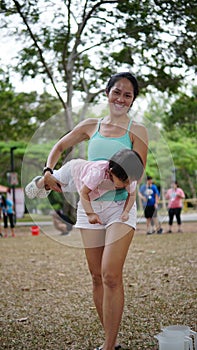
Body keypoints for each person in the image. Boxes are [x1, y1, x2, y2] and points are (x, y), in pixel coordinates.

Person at [37, 72, 148, 350]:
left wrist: (110, 180)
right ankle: (112, 340)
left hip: (121, 207)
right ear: (107, 92)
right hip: (89, 208)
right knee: (96, 275)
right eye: (117, 92)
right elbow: (60, 146)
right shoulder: (91, 126)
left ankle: (108, 347)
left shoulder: (138, 131)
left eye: (128, 95)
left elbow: (137, 172)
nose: (121, 98)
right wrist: (50, 172)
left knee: (111, 273)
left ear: (132, 100)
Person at [25, 149, 144, 225]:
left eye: (131, 181)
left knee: (64, 188)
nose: (127, 185)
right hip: (73, 170)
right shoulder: (98, 173)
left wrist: (126, 212)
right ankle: (41, 181)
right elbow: (84, 193)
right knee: (57, 179)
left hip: (83, 180)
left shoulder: (128, 177)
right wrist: (90, 214)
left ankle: (47, 187)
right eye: (125, 182)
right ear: (112, 172)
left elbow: (132, 194)